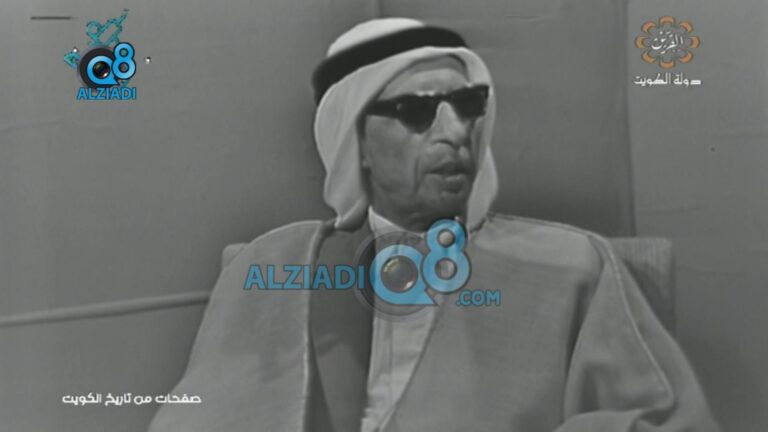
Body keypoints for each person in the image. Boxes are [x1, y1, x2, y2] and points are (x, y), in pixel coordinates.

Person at [148, 18, 719, 432]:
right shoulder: (274, 264)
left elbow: (660, 420)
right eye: (416, 112)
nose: (455, 132)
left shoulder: (571, 266)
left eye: (468, 105)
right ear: (354, 141)